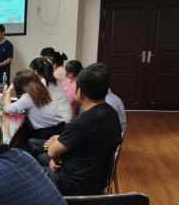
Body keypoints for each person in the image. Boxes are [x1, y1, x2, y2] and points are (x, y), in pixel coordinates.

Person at [46, 63, 122, 195]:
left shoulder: (84, 120)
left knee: (30, 171)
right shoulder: (111, 113)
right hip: (96, 179)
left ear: (79, 92)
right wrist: (62, 141)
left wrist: (55, 154)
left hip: (72, 184)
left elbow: (52, 152)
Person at [4, 69, 66, 140]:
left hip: (46, 134)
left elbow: (7, 109)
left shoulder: (28, 97)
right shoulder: (45, 90)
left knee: (22, 134)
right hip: (61, 129)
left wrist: (8, 91)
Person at [30, 57, 73, 123]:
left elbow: (29, 100)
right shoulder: (54, 80)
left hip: (61, 121)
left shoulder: (43, 83)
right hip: (67, 116)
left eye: (31, 71)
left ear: (35, 72)